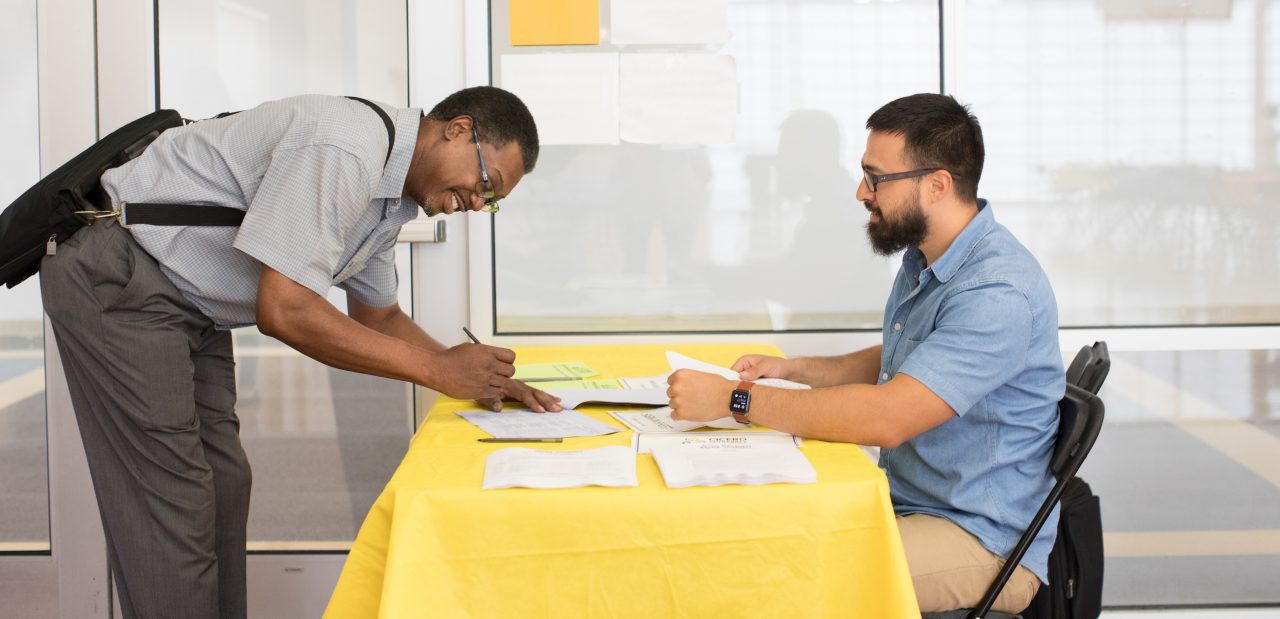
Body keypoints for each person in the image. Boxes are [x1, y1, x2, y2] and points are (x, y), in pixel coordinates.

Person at [39, 86, 562, 619]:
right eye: (486, 182)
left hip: (187, 301)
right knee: (174, 502)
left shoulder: (390, 195)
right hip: (122, 279)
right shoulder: (347, 147)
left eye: (490, 200)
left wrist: (483, 379)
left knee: (224, 483)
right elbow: (285, 309)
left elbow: (378, 317)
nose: (477, 202)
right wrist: (438, 370)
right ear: (458, 129)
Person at [666, 93, 1064, 614]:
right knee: (749, 530)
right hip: (911, 503)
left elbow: (888, 418)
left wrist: (736, 400)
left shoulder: (996, 291)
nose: (861, 191)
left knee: (778, 574)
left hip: (979, 540)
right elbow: (904, 358)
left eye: (876, 178)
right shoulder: (930, 256)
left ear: (937, 184)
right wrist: (793, 371)